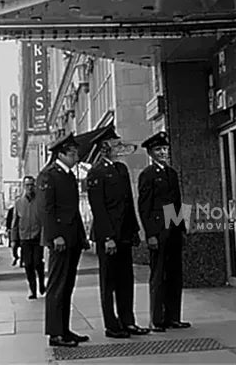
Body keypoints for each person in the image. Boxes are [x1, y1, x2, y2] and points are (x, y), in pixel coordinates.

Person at [86, 126, 150, 339]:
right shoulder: (96, 172)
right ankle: (111, 324)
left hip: (124, 233)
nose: (120, 147)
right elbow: (99, 208)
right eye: (115, 144)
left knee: (126, 280)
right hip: (109, 236)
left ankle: (127, 320)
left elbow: (128, 202)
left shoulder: (121, 169)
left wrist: (134, 230)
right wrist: (107, 238)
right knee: (109, 282)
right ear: (105, 147)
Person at [37, 133, 90, 348]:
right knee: (57, 286)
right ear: (61, 154)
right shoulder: (49, 175)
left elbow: (73, 210)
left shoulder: (67, 175)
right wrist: (54, 235)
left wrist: (82, 237)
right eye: (73, 153)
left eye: (76, 153)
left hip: (72, 238)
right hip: (60, 238)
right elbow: (46, 209)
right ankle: (55, 333)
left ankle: (64, 329)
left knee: (67, 285)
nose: (76, 157)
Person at [137, 131, 190, 331]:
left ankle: (173, 317)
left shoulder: (171, 173)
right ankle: (157, 319)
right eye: (158, 150)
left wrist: (182, 227)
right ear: (151, 153)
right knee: (158, 275)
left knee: (175, 274)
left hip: (173, 227)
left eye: (165, 149)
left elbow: (176, 202)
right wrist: (150, 234)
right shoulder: (147, 175)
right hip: (158, 229)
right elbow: (144, 206)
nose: (163, 153)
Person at [12, 175, 45, 299]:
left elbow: (44, 219)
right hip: (24, 237)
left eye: (32, 184)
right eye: (27, 185)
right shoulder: (19, 202)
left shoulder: (40, 200)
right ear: (24, 186)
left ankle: (41, 282)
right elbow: (15, 223)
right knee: (28, 264)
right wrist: (14, 240)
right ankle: (32, 289)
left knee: (37, 262)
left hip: (37, 237)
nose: (30, 187)